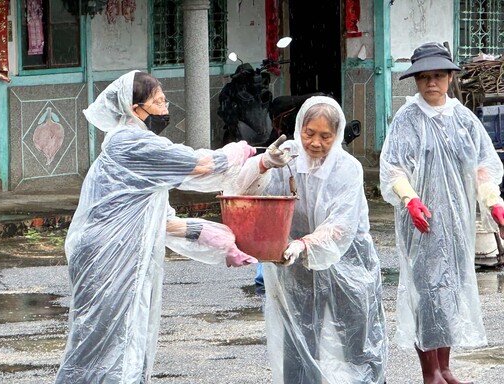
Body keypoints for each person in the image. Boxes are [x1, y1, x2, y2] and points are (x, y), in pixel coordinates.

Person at [53, 70, 289, 383]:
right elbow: (200, 167)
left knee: (125, 339)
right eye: (159, 102)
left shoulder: (142, 166)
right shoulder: (130, 144)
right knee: (100, 341)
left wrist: (217, 241)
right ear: (135, 109)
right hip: (105, 259)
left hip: (119, 258)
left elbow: (164, 224)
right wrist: (238, 152)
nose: (166, 109)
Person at [225, 95, 388, 383]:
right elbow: (239, 191)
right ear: (299, 127)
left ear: (337, 136)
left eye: (325, 136)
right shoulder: (287, 157)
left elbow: (342, 225)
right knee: (299, 338)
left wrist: (305, 244)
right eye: (309, 133)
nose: (315, 143)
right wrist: (263, 163)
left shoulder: (348, 168)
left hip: (347, 264)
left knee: (356, 339)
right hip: (295, 264)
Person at [379, 42, 504, 384]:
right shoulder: (407, 118)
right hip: (420, 221)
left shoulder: (463, 118)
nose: (431, 83)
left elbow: (483, 165)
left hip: (456, 221)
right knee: (426, 292)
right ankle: (429, 372)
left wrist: (493, 203)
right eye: (424, 77)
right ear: (416, 80)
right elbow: (393, 169)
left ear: (450, 77)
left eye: (437, 76)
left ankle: (445, 366)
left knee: (448, 290)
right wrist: (410, 199)